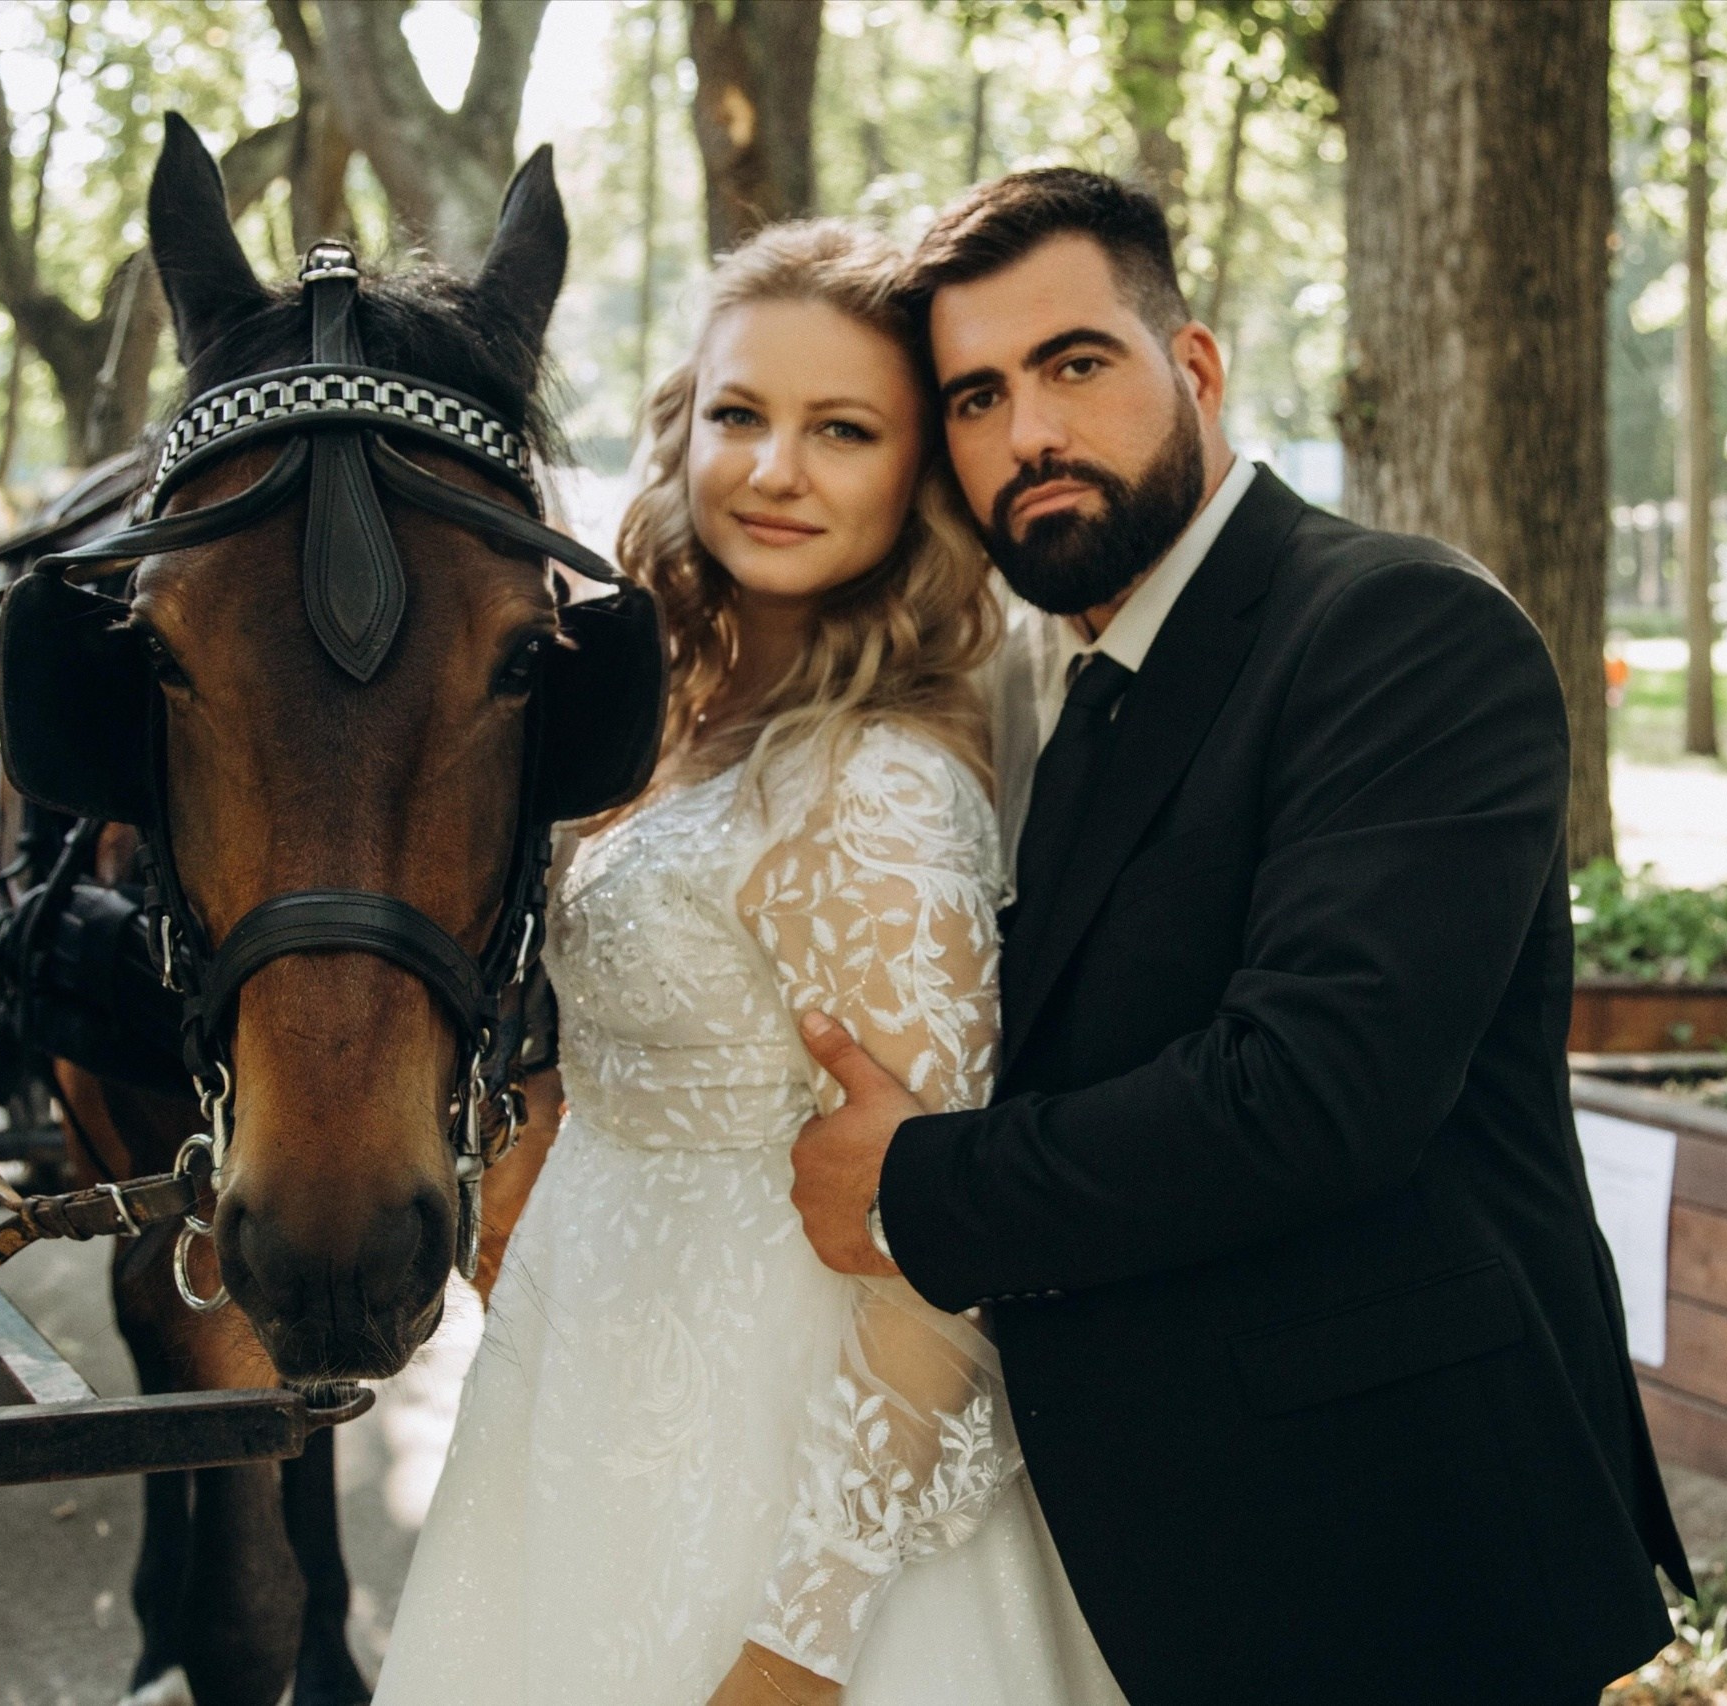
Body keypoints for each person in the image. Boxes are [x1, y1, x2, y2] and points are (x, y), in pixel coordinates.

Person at [787, 170, 1694, 1705]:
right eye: (977, 397)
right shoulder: (1040, 688)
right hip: (1157, 1559)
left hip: (1395, 1553)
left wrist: (918, 1186)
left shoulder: (1399, 628)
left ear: (1192, 370)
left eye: (1077, 364)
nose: (1031, 434)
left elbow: (1315, 1092)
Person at [374, 222, 1122, 1706]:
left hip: (777, 1498)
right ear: (683, 428)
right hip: (583, 1416)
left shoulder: (886, 789)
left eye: (842, 431)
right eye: (741, 415)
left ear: (917, 477)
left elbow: (938, 1268)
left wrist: (800, 1643)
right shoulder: (676, 723)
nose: (775, 468)